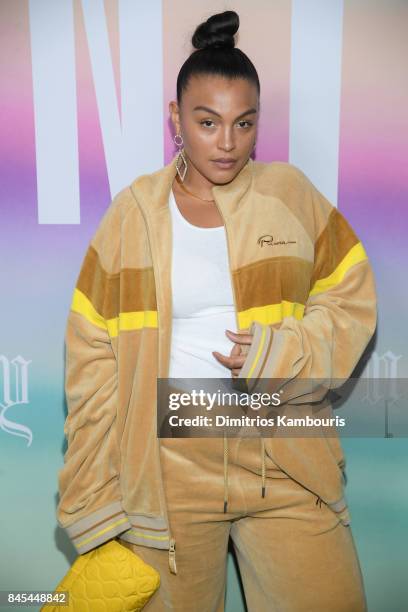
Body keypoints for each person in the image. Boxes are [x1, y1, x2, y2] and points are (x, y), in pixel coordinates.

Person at [57, 10, 377, 612]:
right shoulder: (133, 215)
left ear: (258, 125)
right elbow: (92, 363)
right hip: (167, 469)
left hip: (286, 454)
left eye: (243, 123)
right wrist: (94, 500)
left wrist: (280, 350)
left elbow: (351, 299)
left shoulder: (290, 194)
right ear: (176, 119)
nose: (227, 143)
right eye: (207, 122)